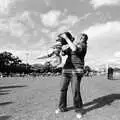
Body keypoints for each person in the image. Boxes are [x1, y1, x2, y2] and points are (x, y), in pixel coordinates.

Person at [55, 32, 88, 118]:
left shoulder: (83, 46)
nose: (78, 38)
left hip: (76, 71)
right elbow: (63, 53)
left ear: (83, 39)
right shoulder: (72, 44)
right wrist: (61, 49)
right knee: (62, 89)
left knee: (75, 91)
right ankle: (62, 107)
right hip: (66, 70)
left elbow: (74, 49)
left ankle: (78, 110)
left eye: (81, 37)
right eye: (78, 36)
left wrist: (66, 38)